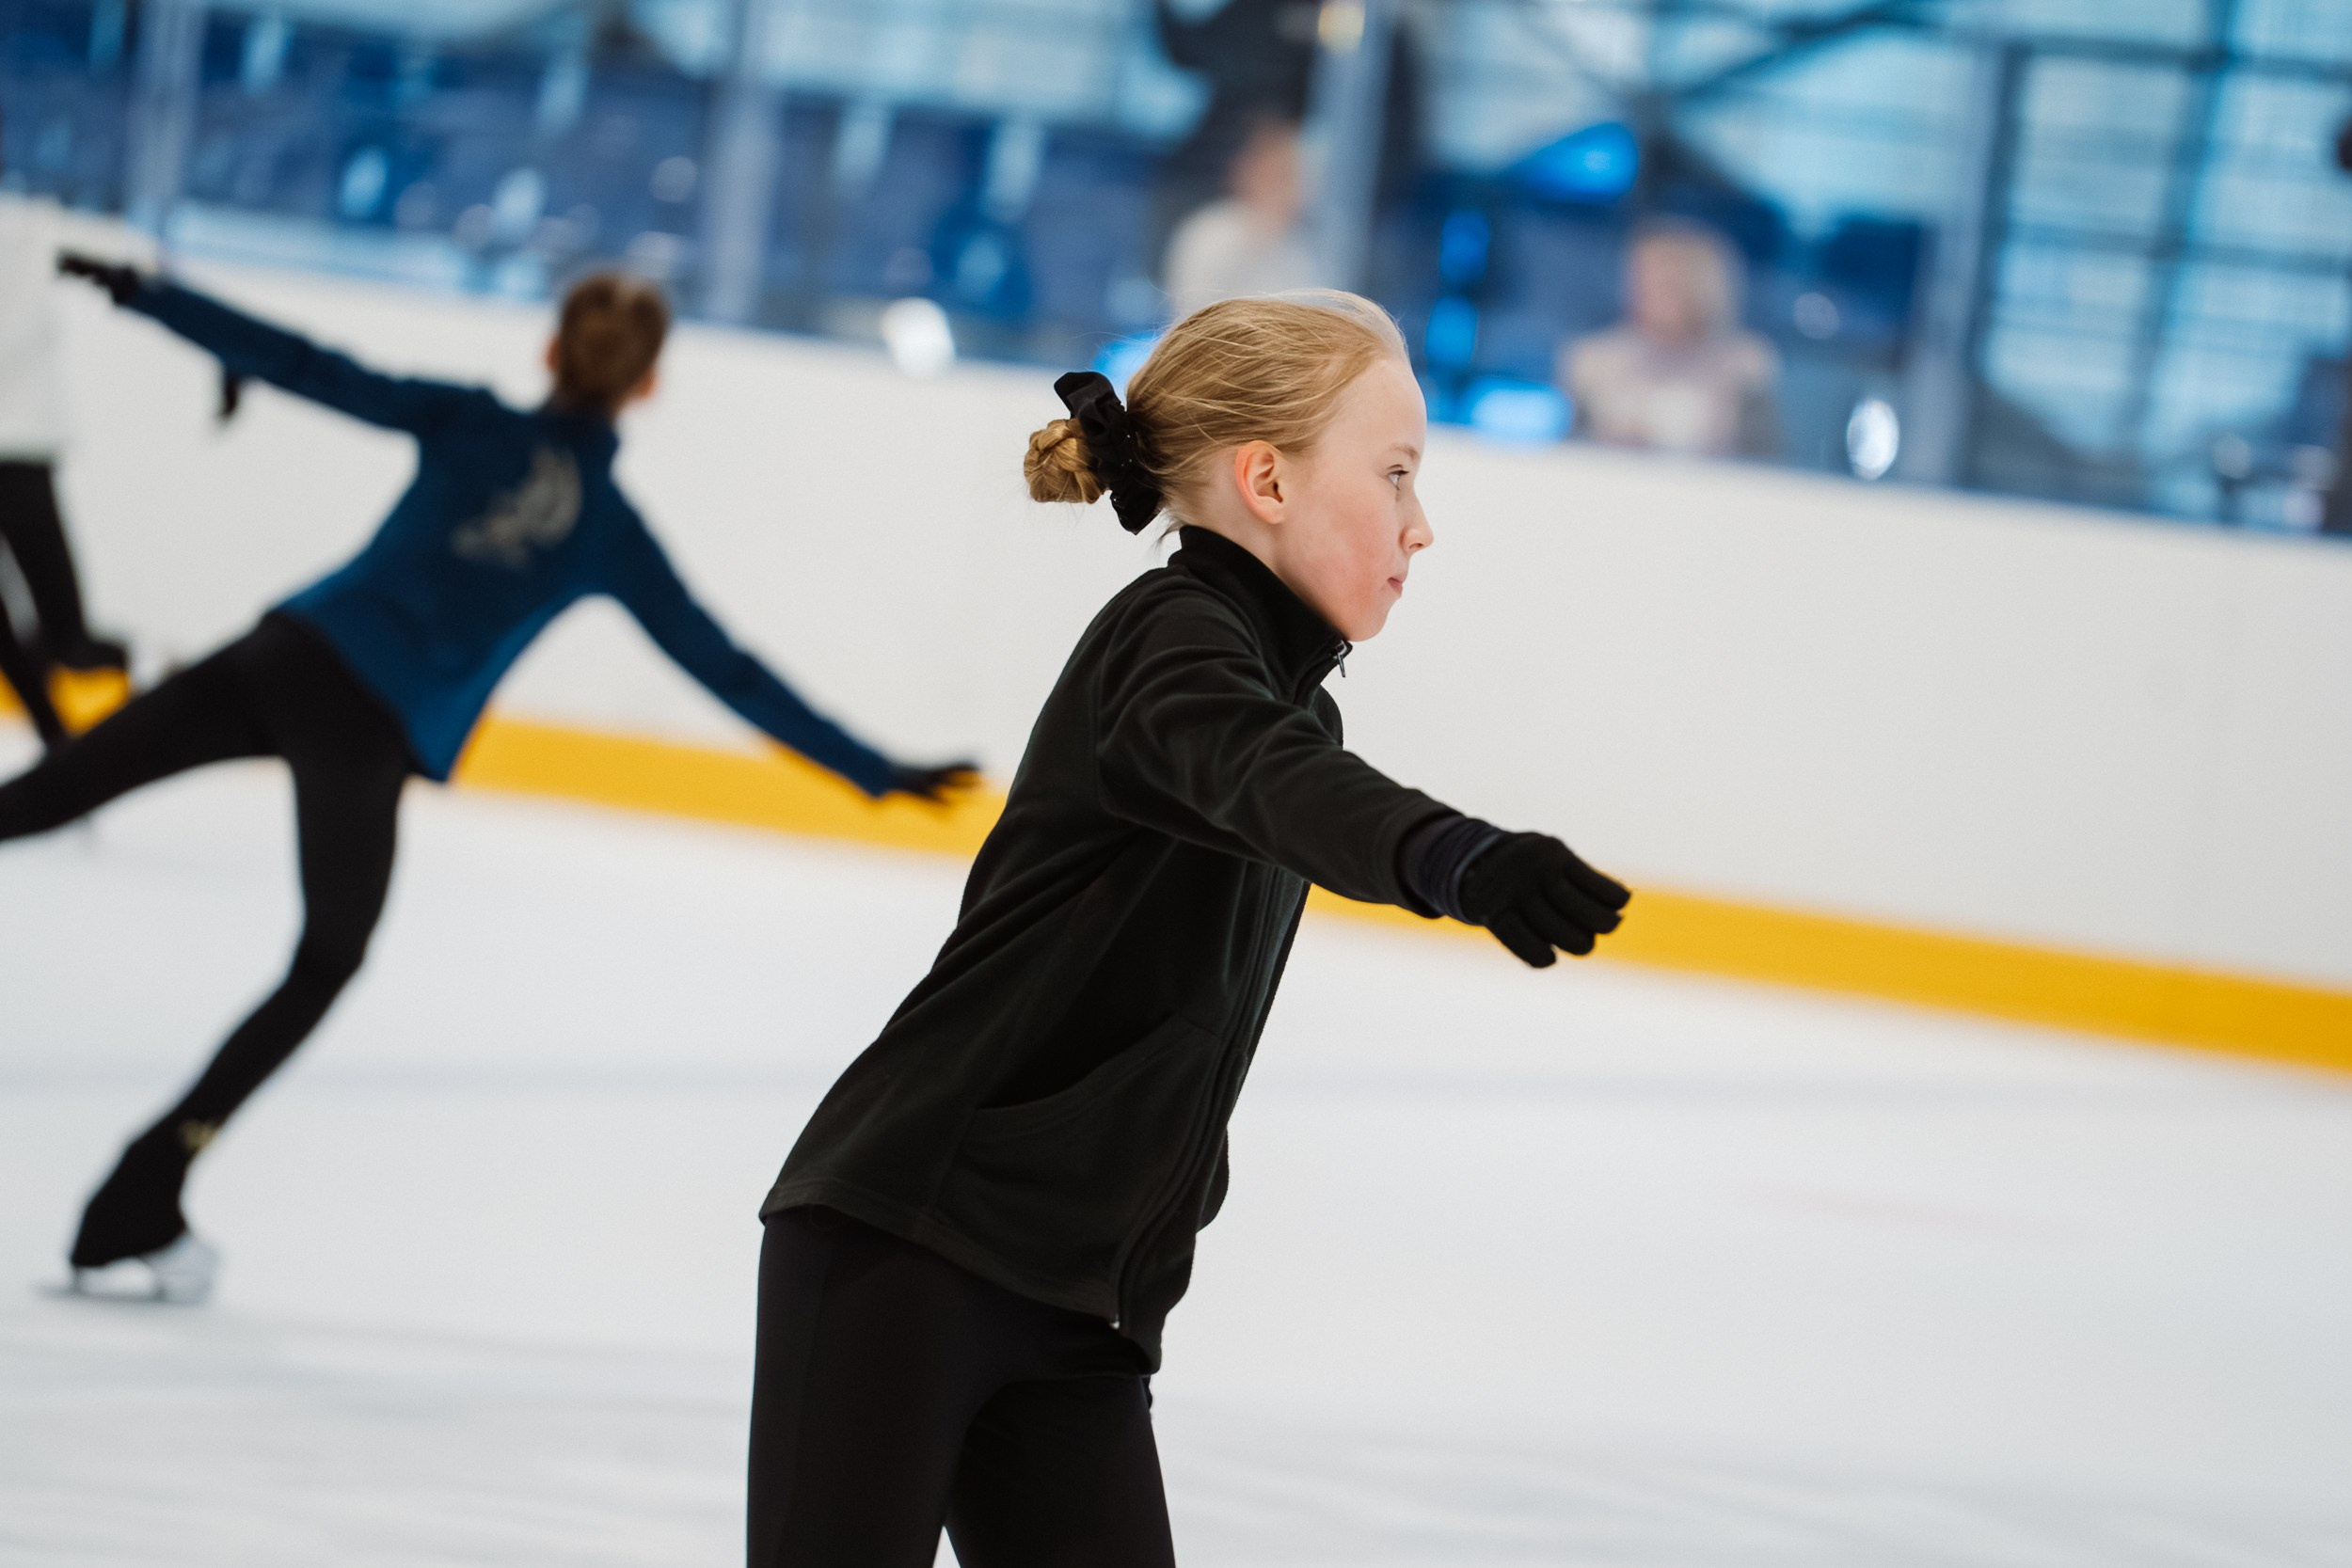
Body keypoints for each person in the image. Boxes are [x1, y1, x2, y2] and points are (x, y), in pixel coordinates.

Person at [743, 292, 1630, 1564]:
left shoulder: (1283, 701)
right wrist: (1454, 853)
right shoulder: (1169, 645)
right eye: (1394, 475)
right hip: (910, 1247)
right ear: (1265, 478)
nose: (1418, 526)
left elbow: (1281, 761)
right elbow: (1257, 772)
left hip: (1079, 1318)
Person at [15, 258, 974, 1303]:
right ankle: (137, 1201)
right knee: (326, 958)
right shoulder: (608, 528)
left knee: (33, 800)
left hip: (284, 656)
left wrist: (152, 294)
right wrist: (874, 770)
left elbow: (308, 367)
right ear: (647, 384)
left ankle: (139, 1200)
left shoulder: (467, 421)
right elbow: (725, 668)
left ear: (549, 350)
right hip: (366, 727)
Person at [0, 116, 129, 751]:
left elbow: (127, 257)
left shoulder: (29, 227)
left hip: (21, 451)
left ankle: (81, 737)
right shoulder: (31, 228)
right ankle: (58, 743)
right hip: (23, 449)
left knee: (68, 633)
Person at [1560, 218, 1781, 460]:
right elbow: (1570, 455)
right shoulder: (1593, 360)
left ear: (1701, 288)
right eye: (1641, 281)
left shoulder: (1745, 365)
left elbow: (1767, 461)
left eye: (1665, 285)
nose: (1645, 294)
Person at [1163, 116, 1318, 316]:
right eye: (1281, 171)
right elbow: (1195, 316)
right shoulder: (1211, 233)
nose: (1295, 186)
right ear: (1250, 170)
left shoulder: (1298, 249)